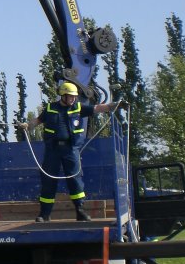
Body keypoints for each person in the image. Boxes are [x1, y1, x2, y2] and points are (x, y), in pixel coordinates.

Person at [19, 81, 125, 223]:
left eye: (74, 96)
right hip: (53, 150)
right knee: (48, 181)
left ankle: (80, 211)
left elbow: (96, 108)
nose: (73, 99)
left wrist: (113, 106)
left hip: (70, 149)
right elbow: (38, 120)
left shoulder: (78, 108)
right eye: (70, 96)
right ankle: (45, 214)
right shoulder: (50, 108)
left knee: (75, 180)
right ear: (63, 95)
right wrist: (27, 125)